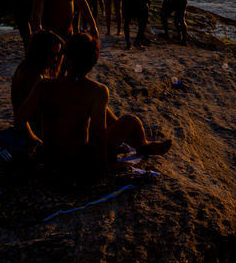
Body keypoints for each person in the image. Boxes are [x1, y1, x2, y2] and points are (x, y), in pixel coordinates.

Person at [15, 33, 170, 180]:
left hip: (51, 158)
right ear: (93, 62)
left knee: (96, 113)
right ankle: (144, 146)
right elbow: (99, 133)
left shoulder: (43, 86)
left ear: (67, 58)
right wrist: (106, 165)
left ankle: (142, 145)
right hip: (79, 161)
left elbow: (20, 118)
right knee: (131, 120)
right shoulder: (97, 90)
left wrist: (35, 141)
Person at [11, 30, 63, 141]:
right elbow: (21, 117)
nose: (55, 60)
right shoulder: (32, 76)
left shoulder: (32, 67)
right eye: (52, 55)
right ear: (41, 53)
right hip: (33, 130)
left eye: (57, 55)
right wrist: (35, 140)